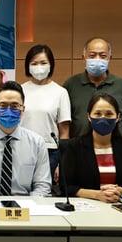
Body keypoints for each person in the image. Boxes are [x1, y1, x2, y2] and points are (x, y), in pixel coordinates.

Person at [0, 81, 51, 197]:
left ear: (23, 109)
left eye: (14, 106)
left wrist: (28, 206)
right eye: (3, 106)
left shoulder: (37, 143)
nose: (9, 111)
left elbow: (42, 186)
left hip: (26, 204)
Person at [60, 93, 122, 203]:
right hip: (86, 206)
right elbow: (66, 187)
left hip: (118, 204)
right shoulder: (75, 146)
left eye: (109, 114)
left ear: (117, 117)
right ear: (89, 116)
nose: (103, 119)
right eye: (97, 114)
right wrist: (97, 195)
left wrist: (121, 190)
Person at [63, 37, 122, 138]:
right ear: (83, 58)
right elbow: (64, 120)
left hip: (113, 144)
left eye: (103, 56)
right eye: (92, 56)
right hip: (79, 144)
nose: (97, 59)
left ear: (110, 58)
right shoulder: (70, 84)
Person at [20, 44, 71, 175]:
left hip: (50, 151)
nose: (39, 67)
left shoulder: (60, 92)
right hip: (22, 148)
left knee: (45, 187)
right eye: (34, 63)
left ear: (51, 65)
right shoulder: (20, 90)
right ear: (28, 66)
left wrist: (62, 162)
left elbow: (64, 132)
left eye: (43, 63)